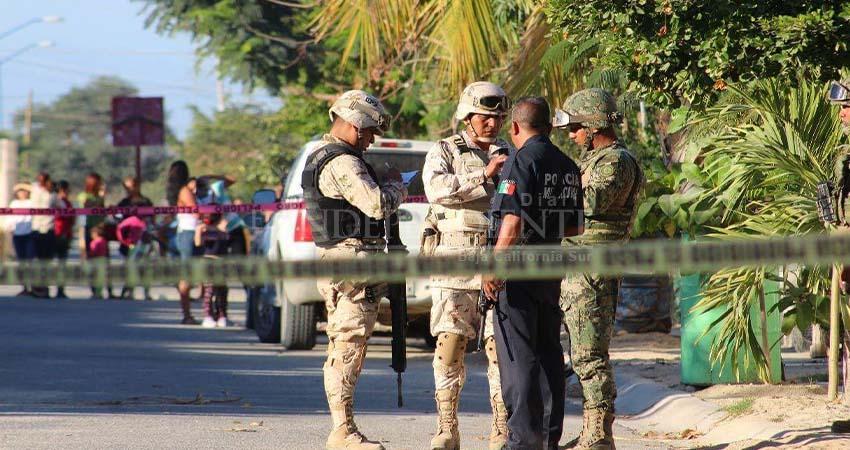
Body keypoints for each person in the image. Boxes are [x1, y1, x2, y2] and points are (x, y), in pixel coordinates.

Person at [301, 89, 404, 450]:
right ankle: (342, 430)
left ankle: (343, 428)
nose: (372, 140)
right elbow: (376, 204)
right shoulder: (342, 162)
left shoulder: (322, 155)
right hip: (353, 265)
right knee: (348, 345)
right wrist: (396, 185)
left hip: (345, 262)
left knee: (345, 343)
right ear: (354, 124)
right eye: (370, 131)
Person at [482, 97, 583, 449]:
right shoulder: (568, 164)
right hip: (550, 267)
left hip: (519, 269)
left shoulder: (520, 161)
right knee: (549, 352)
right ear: (550, 127)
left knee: (519, 355)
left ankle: (524, 440)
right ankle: (548, 436)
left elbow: (511, 222)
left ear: (514, 127)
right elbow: (575, 228)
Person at [421, 80, 511, 450]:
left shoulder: (511, 152)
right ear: (467, 116)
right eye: (484, 117)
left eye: (497, 117)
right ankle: (446, 427)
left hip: (499, 261)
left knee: (499, 349)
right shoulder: (444, 150)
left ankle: (502, 428)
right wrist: (485, 174)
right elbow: (436, 189)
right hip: (456, 263)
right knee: (450, 344)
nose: (491, 124)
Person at [552, 88, 644, 450]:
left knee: (589, 354)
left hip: (591, 270)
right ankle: (592, 430)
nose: (571, 135)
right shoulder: (592, 161)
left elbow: (590, 202)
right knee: (578, 351)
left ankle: (599, 433)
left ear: (593, 126)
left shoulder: (617, 162)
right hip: (575, 267)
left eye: (575, 127)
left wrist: (560, 190)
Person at [166, 161, 199, 325]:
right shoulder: (184, 191)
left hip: (181, 232)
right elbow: (195, 211)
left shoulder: (174, 191)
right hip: (189, 233)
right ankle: (187, 314)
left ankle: (187, 313)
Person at [116, 176, 154, 299]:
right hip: (128, 240)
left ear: (137, 186)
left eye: (130, 186)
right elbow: (117, 218)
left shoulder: (146, 202)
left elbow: (152, 219)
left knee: (145, 266)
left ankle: (146, 292)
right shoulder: (123, 203)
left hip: (143, 239)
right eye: (126, 187)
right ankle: (128, 291)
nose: (128, 189)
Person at [78, 172, 114, 298]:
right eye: (99, 183)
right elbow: (85, 209)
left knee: (105, 261)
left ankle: (109, 290)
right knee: (92, 261)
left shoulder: (100, 197)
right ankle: (95, 290)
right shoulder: (84, 196)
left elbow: (102, 213)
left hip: (101, 231)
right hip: (89, 231)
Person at [194, 210, 231, 328]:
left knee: (222, 290)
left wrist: (224, 228)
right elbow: (198, 243)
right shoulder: (204, 230)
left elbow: (228, 241)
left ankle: (222, 315)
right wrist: (199, 230)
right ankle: (208, 316)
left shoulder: (223, 229)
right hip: (208, 262)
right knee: (209, 290)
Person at [30, 173, 61, 298]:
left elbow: (61, 206)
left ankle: (44, 287)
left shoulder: (51, 194)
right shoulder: (36, 190)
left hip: (48, 229)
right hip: (37, 229)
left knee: (46, 261)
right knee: (38, 260)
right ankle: (37, 287)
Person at [4, 184, 34, 296]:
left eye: (24, 191)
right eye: (20, 191)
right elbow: (10, 219)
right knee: (21, 262)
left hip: (29, 234)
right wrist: (9, 230)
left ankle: (33, 286)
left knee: (30, 262)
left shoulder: (31, 202)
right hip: (18, 235)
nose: (22, 193)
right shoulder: (14, 204)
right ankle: (25, 287)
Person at [54, 180, 76, 299]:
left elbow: (73, 219)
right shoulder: (55, 202)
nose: (68, 192)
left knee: (62, 264)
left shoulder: (68, 203)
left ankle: (60, 289)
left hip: (65, 235)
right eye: (67, 190)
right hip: (54, 234)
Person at [88, 224, 110, 299]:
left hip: (96, 261)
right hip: (103, 260)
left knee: (95, 278)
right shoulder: (104, 240)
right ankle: (99, 293)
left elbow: (93, 252)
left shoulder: (95, 242)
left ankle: (96, 294)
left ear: (95, 233)